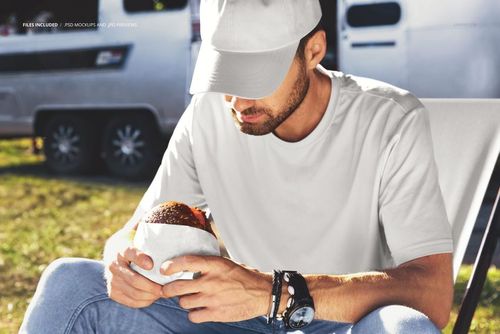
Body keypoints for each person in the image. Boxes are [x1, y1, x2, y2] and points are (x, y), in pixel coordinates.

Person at [20, 0, 454, 333]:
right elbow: (136, 232)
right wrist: (121, 262)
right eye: (226, 75)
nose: (239, 101)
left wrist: (275, 293)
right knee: (70, 283)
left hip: (343, 322)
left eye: (258, 77)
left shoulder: (390, 120)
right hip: (231, 319)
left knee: (406, 327)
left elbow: (431, 294)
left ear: (314, 50)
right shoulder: (207, 116)